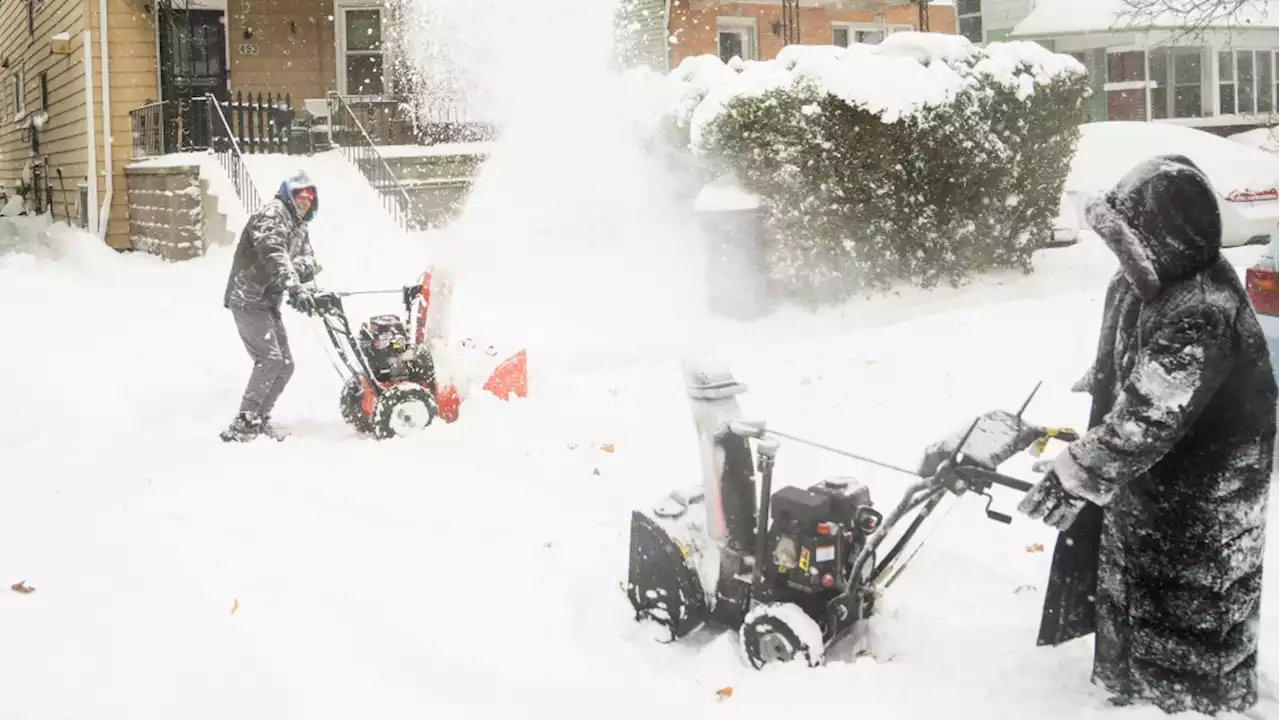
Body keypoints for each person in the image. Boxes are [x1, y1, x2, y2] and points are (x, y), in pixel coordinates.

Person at [1016, 154, 1277, 714]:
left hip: (1206, 493)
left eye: (1131, 239)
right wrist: (1109, 375)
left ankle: (1185, 704)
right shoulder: (1155, 279)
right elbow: (1143, 361)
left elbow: (1151, 415)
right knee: (1140, 589)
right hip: (1159, 480)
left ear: (1167, 235)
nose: (1122, 253)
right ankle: (1140, 692)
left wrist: (1079, 471)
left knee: (1191, 614)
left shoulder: (1202, 307)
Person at [220, 169, 325, 442]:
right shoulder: (272, 215)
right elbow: (274, 254)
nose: (305, 200)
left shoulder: (299, 226)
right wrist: (292, 282)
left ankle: (259, 417)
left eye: (310, 197)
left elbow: (309, 262)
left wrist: (298, 283)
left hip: (267, 300)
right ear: (289, 194)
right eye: (300, 195)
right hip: (248, 297)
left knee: (286, 364)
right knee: (270, 360)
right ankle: (243, 423)